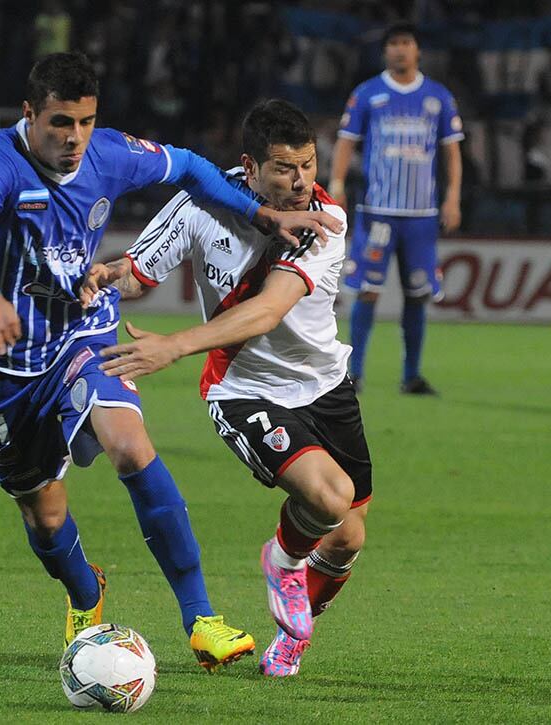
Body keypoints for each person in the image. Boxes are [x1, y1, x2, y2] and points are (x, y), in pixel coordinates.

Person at [0, 53, 340, 670]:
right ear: (29, 115)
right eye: (60, 124)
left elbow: (188, 167)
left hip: (81, 330)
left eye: (86, 122)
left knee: (131, 445)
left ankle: (200, 617)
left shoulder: (108, 153)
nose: (74, 139)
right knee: (45, 516)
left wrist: (262, 213)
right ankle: (84, 589)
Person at [86, 100, 371, 678]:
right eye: (285, 170)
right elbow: (139, 273)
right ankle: (284, 559)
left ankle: (289, 638)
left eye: (310, 166)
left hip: (325, 386)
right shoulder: (200, 203)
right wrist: (103, 275)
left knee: (347, 539)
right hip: (243, 388)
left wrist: (174, 344)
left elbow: (268, 311)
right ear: (249, 167)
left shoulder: (325, 223)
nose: (301, 184)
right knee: (327, 499)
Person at [328, 22, 463, 395]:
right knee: (367, 291)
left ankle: (411, 375)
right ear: (385, 51)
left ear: (418, 50)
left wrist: (453, 197)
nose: (399, 50)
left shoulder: (438, 97)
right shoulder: (368, 94)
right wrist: (336, 184)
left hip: (421, 216)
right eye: (393, 44)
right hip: (378, 211)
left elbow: (452, 152)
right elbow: (345, 142)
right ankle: (353, 374)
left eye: (406, 43)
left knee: (417, 294)